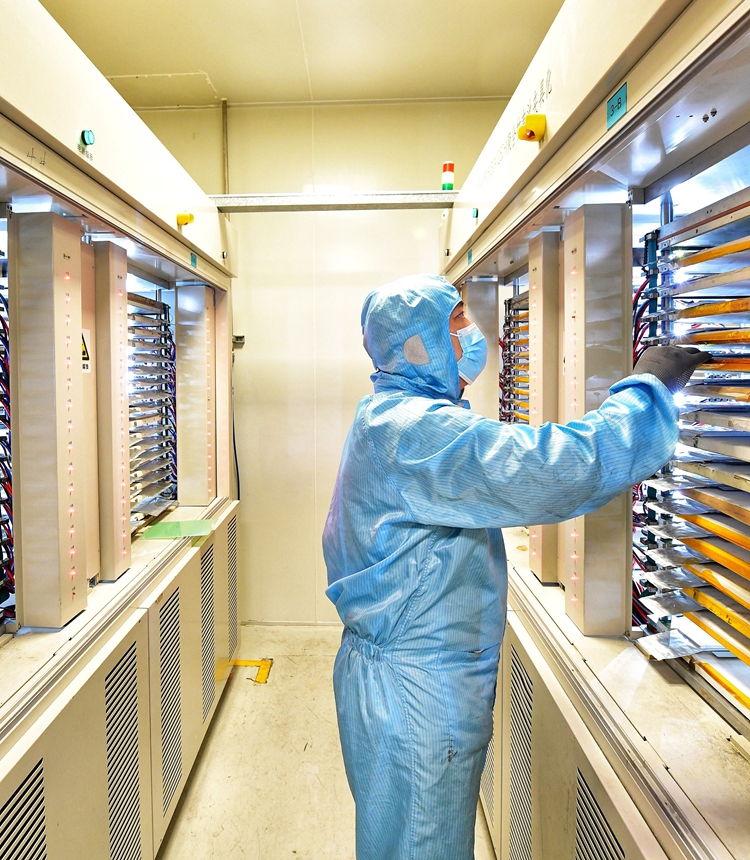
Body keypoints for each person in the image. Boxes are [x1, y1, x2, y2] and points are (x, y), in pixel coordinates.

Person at [322, 273, 707, 860]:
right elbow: (556, 467)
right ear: (418, 342)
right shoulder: (414, 432)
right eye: (456, 323)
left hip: (397, 676)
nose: (471, 336)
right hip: (416, 691)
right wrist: (647, 393)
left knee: (399, 838)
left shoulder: (392, 416)